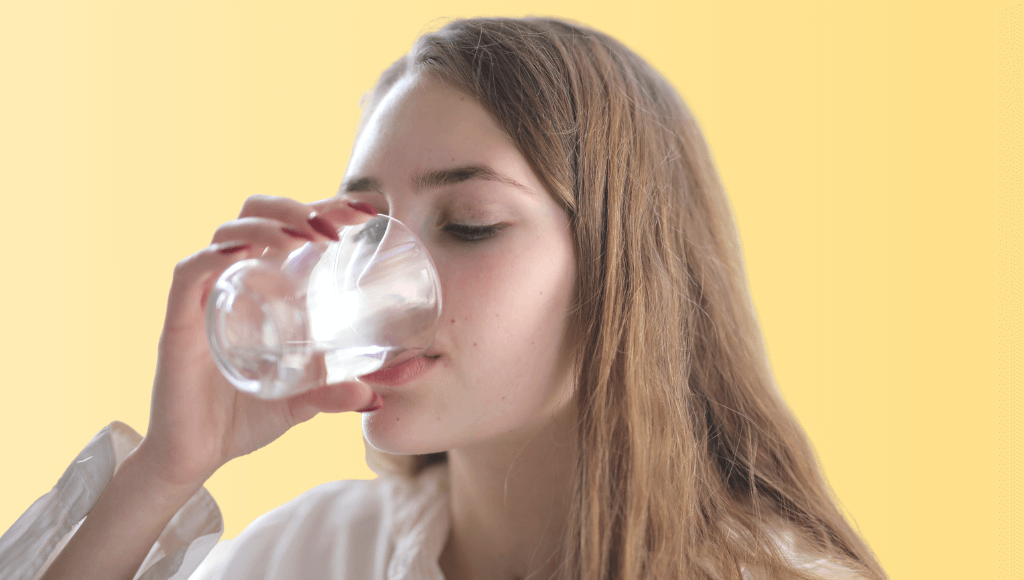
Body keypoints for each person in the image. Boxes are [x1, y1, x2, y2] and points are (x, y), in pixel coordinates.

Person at [1, 16, 887, 580]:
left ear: (624, 274)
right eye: (365, 226)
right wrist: (164, 471)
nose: (375, 276)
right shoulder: (320, 554)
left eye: (467, 223)